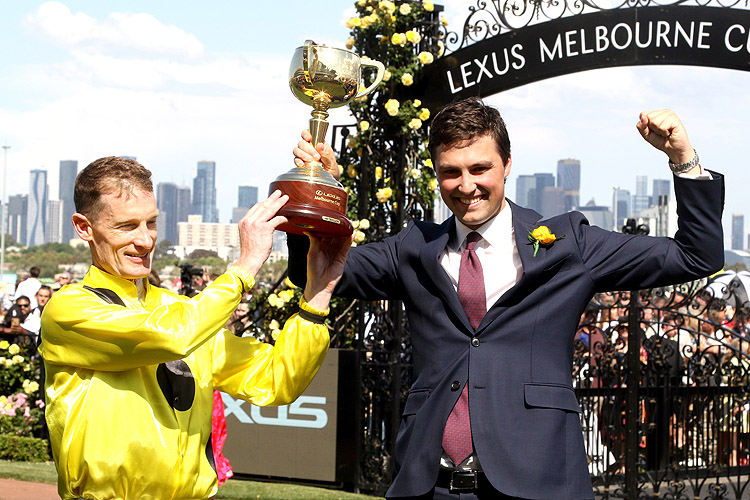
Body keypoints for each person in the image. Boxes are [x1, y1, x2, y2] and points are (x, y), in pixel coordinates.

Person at [290, 99, 724, 499]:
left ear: (507, 164)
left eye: (480, 169)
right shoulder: (412, 248)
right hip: (428, 487)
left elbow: (695, 255)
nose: (466, 186)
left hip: (538, 484)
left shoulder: (568, 244)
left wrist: (683, 159)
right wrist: (319, 188)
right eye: (450, 172)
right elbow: (316, 269)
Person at [39, 156, 352, 500]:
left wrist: (316, 298)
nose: (145, 240)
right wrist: (244, 268)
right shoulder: (68, 309)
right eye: (127, 227)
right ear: (84, 227)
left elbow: (277, 380)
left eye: (151, 223)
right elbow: (171, 338)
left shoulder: (185, 312)